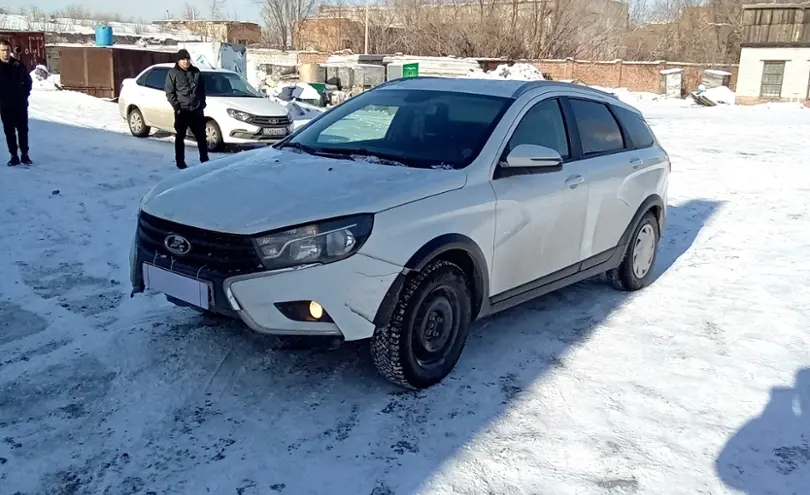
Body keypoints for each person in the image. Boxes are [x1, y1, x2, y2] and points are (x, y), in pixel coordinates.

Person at [164, 49, 209, 169]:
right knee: (180, 137)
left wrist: (202, 103)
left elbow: (202, 89)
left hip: (196, 111)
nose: (186, 62)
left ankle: (204, 160)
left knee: (201, 137)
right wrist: (177, 107)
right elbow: (169, 93)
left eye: (188, 59)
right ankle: (180, 161)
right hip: (182, 111)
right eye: (183, 59)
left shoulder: (196, 72)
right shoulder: (172, 73)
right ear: (178, 60)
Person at [0, 39, 33, 166]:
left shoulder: (18, 65)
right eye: (2, 50)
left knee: (23, 130)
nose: (5, 53)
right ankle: (14, 156)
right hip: (5, 105)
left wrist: (24, 95)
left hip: (20, 104)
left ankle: (25, 155)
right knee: (9, 132)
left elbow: (28, 82)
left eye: (7, 50)